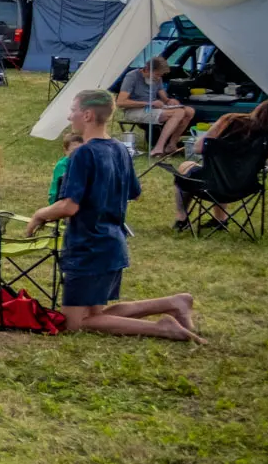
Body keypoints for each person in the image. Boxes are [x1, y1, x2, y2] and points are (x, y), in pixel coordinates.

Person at [25, 90, 198, 341]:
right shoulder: (119, 149)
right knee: (94, 313)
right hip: (112, 242)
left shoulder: (83, 153)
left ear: (87, 114)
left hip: (87, 244)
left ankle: (162, 327)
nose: (69, 115)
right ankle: (174, 302)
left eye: (73, 110)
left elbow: (69, 206)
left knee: (75, 323)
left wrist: (40, 215)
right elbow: (134, 193)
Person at [170, 103, 268, 231]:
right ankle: (220, 220)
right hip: (245, 188)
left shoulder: (229, 120)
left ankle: (181, 218)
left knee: (187, 165)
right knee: (225, 173)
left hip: (211, 185)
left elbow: (197, 148)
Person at [116, 56, 197, 158]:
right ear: (147, 69)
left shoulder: (158, 79)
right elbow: (121, 102)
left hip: (153, 109)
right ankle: (158, 147)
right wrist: (149, 103)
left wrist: (169, 101)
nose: (158, 78)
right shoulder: (132, 77)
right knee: (179, 112)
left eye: (161, 75)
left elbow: (163, 97)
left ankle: (172, 145)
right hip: (134, 110)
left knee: (189, 111)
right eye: (157, 75)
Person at [49, 132, 84, 201]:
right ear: (66, 151)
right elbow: (62, 187)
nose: (78, 154)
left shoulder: (83, 163)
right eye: (74, 150)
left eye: (81, 150)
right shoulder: (62, 165)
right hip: (58, 198)